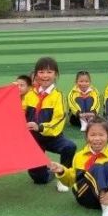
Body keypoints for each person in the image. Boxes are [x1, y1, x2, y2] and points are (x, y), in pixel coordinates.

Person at [49, 120, 108, 216]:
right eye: (92, 135)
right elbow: (72, 180)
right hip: (85, 195)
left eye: (101, 135)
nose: (97, 138)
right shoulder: (79, 156)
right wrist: (62, 171)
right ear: (87, 137)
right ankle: (106, 208)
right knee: (97, 167)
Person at [23, 56, 77, 192]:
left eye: (49, 72)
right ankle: (49, 172)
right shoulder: (29, 95)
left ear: (56, 75)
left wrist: (40, 127)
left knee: (69, 147)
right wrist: (12, 94)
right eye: (41, 72)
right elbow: (17, 112)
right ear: (35, 75)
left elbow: (58, 121)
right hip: (33, 139)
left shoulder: (58, 96)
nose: (45, 76)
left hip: (53, 137)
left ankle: (63, 175)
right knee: (39, 179)